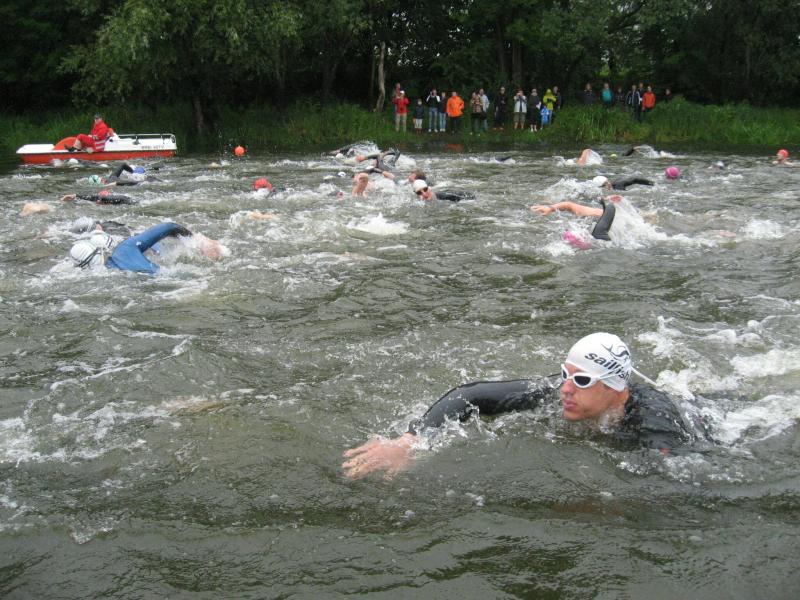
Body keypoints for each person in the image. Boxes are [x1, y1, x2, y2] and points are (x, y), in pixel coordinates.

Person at [342, 332, 693, 479]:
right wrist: (409, 442)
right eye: (565, 375)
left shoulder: (655, 422)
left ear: (616, 389)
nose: (565, 389)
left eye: (582, 380)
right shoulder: (560, 390)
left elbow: (674, 480)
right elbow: (473, 394)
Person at [68, 222, 224, 274]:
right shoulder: (123, 249)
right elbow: (169, 226)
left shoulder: (103, 274)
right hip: (185, 277)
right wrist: (197, 240)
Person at [530, 196, 621, 242]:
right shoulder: (597, 214)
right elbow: (569, 205)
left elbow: (569, 205)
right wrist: (550, 208)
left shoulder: (604, 214)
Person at [60, 190, 137, 205]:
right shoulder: (93, 197)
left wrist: (98, 203)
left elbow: (101, 197)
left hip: (123, 200)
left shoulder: (96, 196)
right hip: (123, 199)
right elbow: (80, 196)